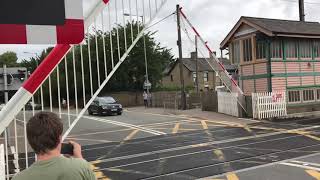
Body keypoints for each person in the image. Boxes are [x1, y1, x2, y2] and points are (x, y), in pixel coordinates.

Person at [12, 112, 96, 180]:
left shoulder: (19, 178)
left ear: (30, 141)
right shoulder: (81, 167)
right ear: (59, 138)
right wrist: (79, 157)